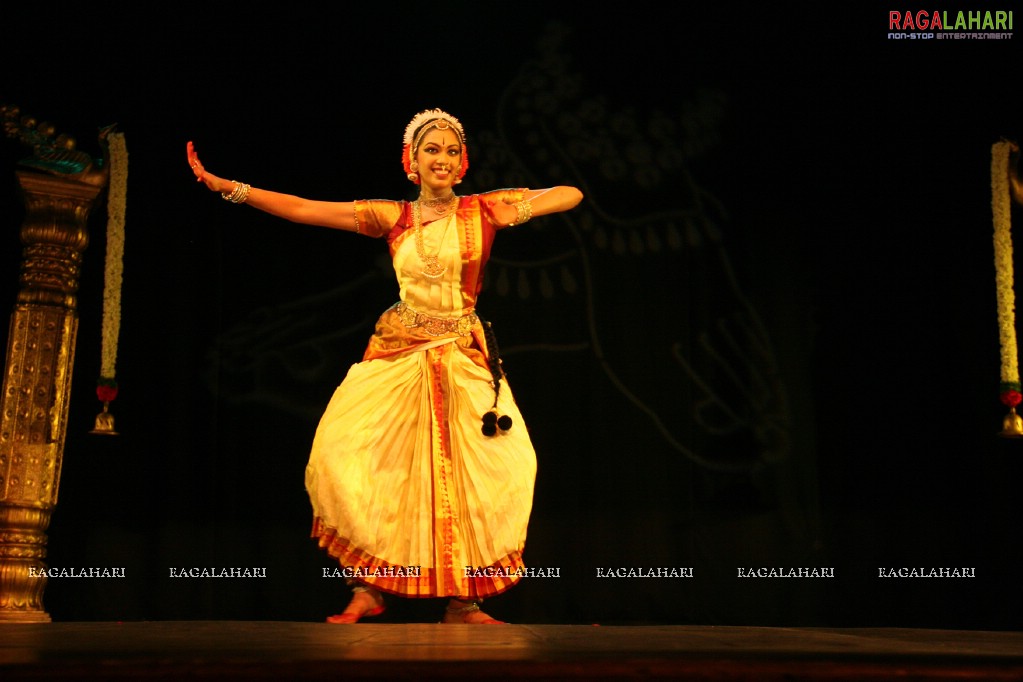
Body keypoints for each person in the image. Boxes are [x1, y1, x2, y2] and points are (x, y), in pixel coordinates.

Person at [187, 108, 583, 624]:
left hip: (461, 356)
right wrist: (230, 188)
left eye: (450, 151)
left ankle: (465, 600)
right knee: (355, 458)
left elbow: (570, 194)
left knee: (489, 472)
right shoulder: (392, 216)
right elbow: (305, 209)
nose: (441, 158)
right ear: (411, 161)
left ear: (462, 163)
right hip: (400, 352)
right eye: (431, 150)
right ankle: (369, 589)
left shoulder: (483, 211)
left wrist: (516, 206)